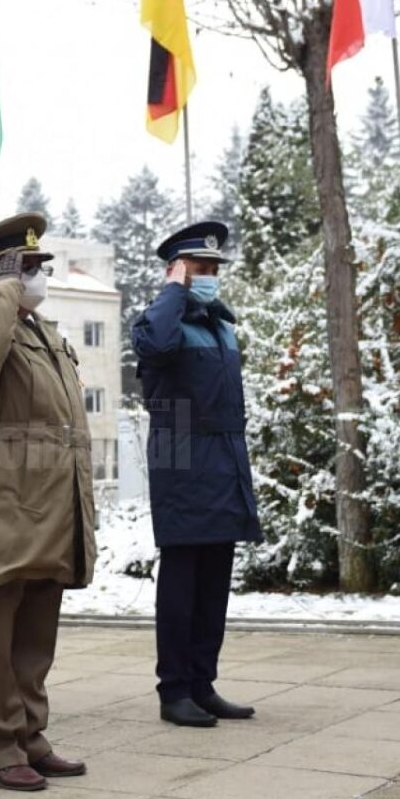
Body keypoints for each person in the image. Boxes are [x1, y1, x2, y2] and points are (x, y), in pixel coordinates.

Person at [0, 213, 95, 791]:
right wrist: (1, 290)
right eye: (23, 266)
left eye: (36, 266)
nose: (35, 276)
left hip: (49, 504)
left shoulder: (43, 332)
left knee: (34, 638)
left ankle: (30, 735)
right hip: (3, 505)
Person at [133, 220, 263, 727]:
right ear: (176, 270)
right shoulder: (158, 320)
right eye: (198, 267)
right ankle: (174, 690)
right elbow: (158, 347)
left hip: (224, 456)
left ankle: (202, 684)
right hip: (182, 456)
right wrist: (173, 290)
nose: (209, 275)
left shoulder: (220, 324)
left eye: (213, 267)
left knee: (213, 582)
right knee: (182, 581)